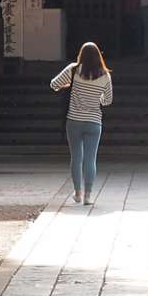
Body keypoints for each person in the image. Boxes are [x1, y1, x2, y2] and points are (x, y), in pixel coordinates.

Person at [50, 42, 113, 206]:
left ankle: (77, 193)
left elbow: (53, 84)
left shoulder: (73, 69)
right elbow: (108, 100)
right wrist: (97, 97)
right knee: (90, 159)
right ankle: (88, 196)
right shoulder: (105, 75)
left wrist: (69, 85)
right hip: (94, 122)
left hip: (74, 121)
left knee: (76, 158)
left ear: (81, 55)